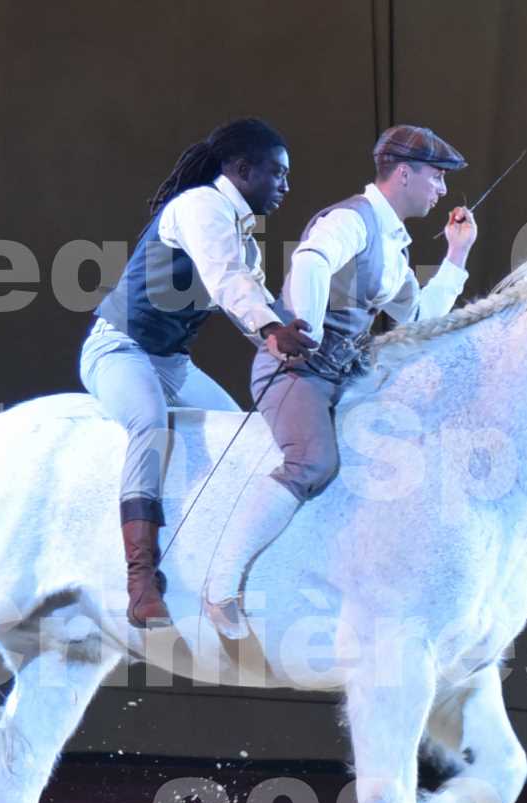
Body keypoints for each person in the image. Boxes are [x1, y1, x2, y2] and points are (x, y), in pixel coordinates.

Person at [202, 124, 479, 638]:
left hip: (344, 377)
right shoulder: (354, 219)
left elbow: (416, 321)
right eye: (436, 178)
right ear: (403, 172)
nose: (441, 192)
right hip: (297, 371)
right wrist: (302, 321)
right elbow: (311, 259)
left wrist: (456, 257)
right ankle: (220, 586)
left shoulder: (393, 249)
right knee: (314, 461)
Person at [82, 118, 317, 627]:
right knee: (149, 424)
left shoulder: (243, 238)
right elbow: (226, 280)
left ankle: (218, 569)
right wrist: (273, 330)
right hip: (119, 350)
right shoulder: (199, 207)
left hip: (171, 365)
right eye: (277, 174)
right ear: (241, 168)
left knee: (245, 440)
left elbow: (254, 303)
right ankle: (141, 580)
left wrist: (304, 342)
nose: (285, 187)